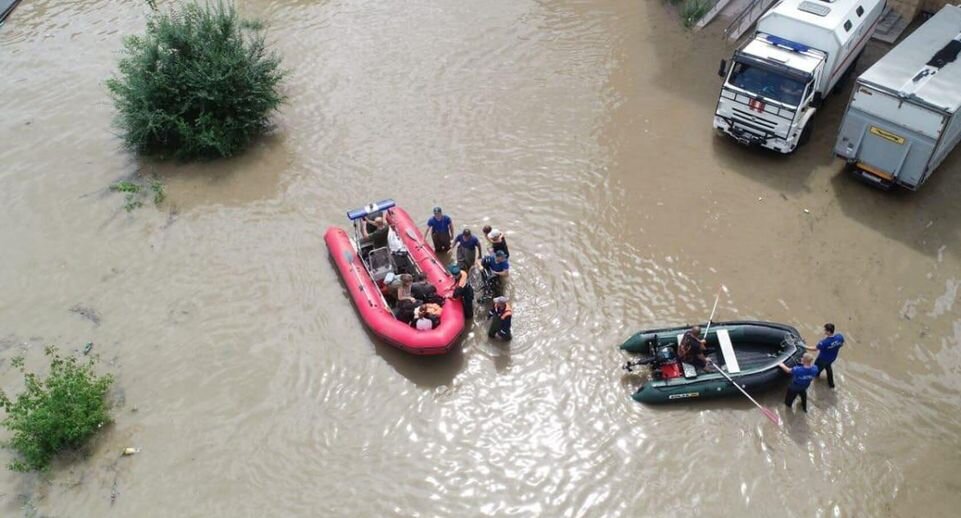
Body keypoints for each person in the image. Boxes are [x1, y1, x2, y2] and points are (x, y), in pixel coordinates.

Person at [804, 323, 844, 388]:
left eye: (825, 330)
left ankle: (816, 379)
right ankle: (831, 384)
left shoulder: (824, 342)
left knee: (816, 369)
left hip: (822, 359)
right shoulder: (839, 337)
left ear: (828, 331)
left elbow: (815, 349)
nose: (824, 331)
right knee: (828, 367)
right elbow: (841, 345)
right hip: (832, 358)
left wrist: (804, 346)